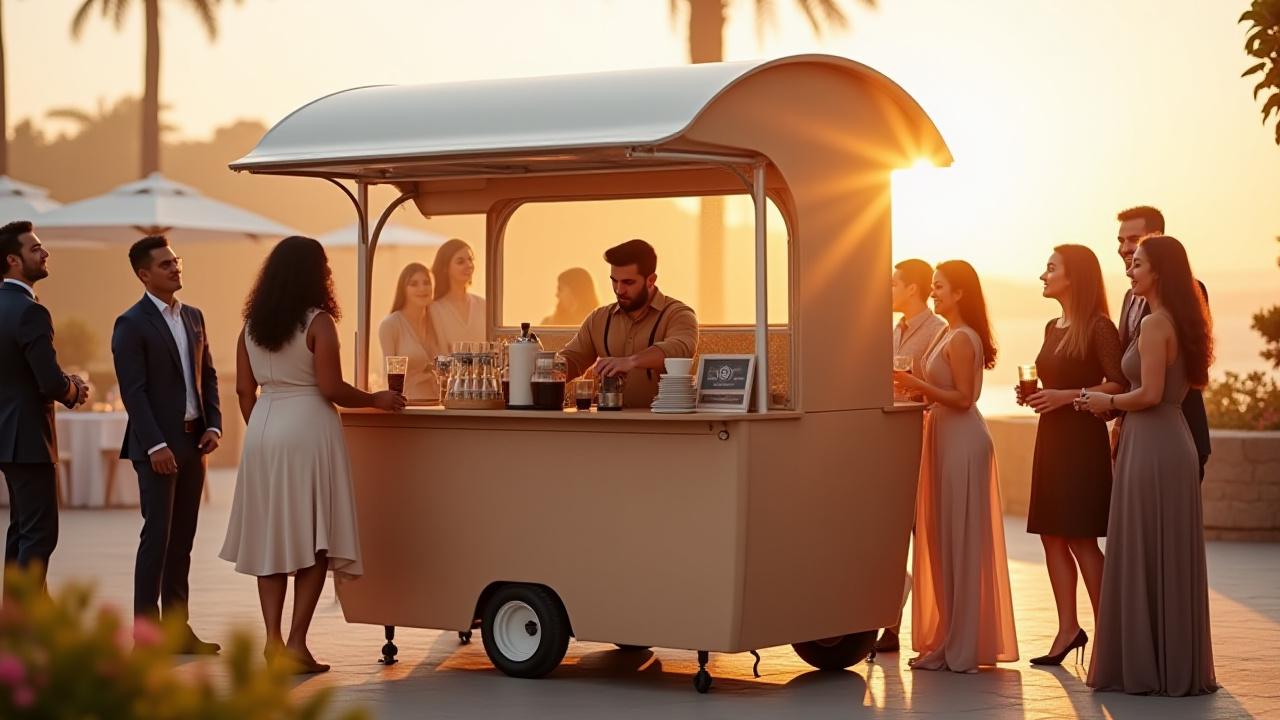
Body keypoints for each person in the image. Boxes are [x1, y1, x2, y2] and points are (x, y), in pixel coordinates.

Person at [219, 236, 405, 674]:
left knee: (271, 540)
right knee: (314, 539)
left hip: (263, 430)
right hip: (308, 428)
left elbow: (244, 390)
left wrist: (264, 428)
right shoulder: (318, 322)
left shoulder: (249, 326)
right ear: (314, 274)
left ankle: (272, 640)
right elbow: (331, 387)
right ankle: (298, 644)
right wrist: (375, 399)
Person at [1081, 235, 1217, 696]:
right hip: (1160, 440)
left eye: (1137, 263)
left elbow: (1151, 394)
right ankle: (1167, 662)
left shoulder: (1158, 324)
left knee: (1144, 547)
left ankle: (1149, 666)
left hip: (1156, 443)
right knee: (1155, 551)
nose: (1129, 270)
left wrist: (1107, 400)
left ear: (1158, 270)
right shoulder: (1175, 320)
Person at [893, 260, 1018, 673]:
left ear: (961, 293)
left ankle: (961, 644)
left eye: (941, 287)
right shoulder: (946, 333)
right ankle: (947, 638)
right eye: (933, 286)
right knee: (943, 541)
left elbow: (964, 398)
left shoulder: (963, 337)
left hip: (963, 441)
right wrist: (917, 396)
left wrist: (916, 385)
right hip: (943, 436)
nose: (935, 293)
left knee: (960, 540)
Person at [111, 235, 222, 652]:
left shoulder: (194, 316)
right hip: (157, 446)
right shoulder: (131, 323)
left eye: (176, 261)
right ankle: (146, 636)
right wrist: (156, 445)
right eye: (164, 265)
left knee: (183, 539)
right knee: (157, 537)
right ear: (144, 274)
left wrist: (215, 425)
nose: (175, 268)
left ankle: (178, 632)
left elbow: (207, 375)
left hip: (196, 443)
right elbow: (133, 391)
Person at [1016, 245, 1124, 665]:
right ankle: (1068, 630)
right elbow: (1053, 381)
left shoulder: (1100, 327)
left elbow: (1118, 385)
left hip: (1081, 441)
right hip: (1052, 437)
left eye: (1051, 268)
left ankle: (1108, 636)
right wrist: (1039, 396)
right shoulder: (1051, 326)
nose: (1043, 275)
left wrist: (1068, 396)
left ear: (1074, 277)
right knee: (1051, 536)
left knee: (1081, 538)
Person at [0, 221, 87, 597]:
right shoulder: (31, 312)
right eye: (35, 248)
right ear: (12, 260)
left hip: (5, 437)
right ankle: (28, 627)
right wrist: (75, 390)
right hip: (29, 438)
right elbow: (48, 380)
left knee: (20, 529)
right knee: (39, 534)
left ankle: (17, 619)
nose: (44, 252)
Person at [876, 258, 946, 653]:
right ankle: (891, 622)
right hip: (891, 440)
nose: (887, 290)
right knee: (891, 531)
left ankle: (934, 624)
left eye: (893, 284)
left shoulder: (937, 332)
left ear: (912, 289)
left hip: (923, 437)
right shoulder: (894, 329)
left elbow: (938, 386)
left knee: (926, 532)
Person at [1114, 206, 1211, 478]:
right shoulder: (1129, 297)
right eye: (1120, 241)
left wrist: (1109, 400)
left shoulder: (1190, 291)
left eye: (1133, 239)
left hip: (1178, 431)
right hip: (1137, 431)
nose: (1124, 248)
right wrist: (1120, 422)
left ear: (1156, 240)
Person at [557, 239, 698, 408]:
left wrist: (631, 361)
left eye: (628, 282)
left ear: (651, 280)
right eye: (614, 280)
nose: (619, 290)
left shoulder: (678, 314)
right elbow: (573, 359)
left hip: (663, 426)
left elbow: (680, 349)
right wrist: (546, 370)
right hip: (608, 425)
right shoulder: (598, 319)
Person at [379, 262, 440, 400]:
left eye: (426, 282)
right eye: (414, 284)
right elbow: (387, 378)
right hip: (408, 407)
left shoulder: (437, 322)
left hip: (439, 405)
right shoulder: (391, 325)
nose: (422, 288)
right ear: (403, 289)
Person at [429, 238, 486, 350]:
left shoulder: (483, 305)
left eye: (470, 259)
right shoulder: (434, 309)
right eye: (460, 262)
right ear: (446, 268)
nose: (469, 265)